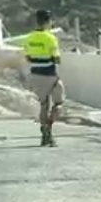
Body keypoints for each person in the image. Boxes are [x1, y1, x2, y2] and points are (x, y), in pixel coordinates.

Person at [23, 9, 64, 147]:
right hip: (50, 75)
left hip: (35, 74)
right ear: (48, 22)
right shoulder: (50, 38)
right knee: (59, 103)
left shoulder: (29, 37)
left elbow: (27, 57)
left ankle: (44, 132)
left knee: (43, 105)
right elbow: (57, 59)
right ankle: (49, 128)